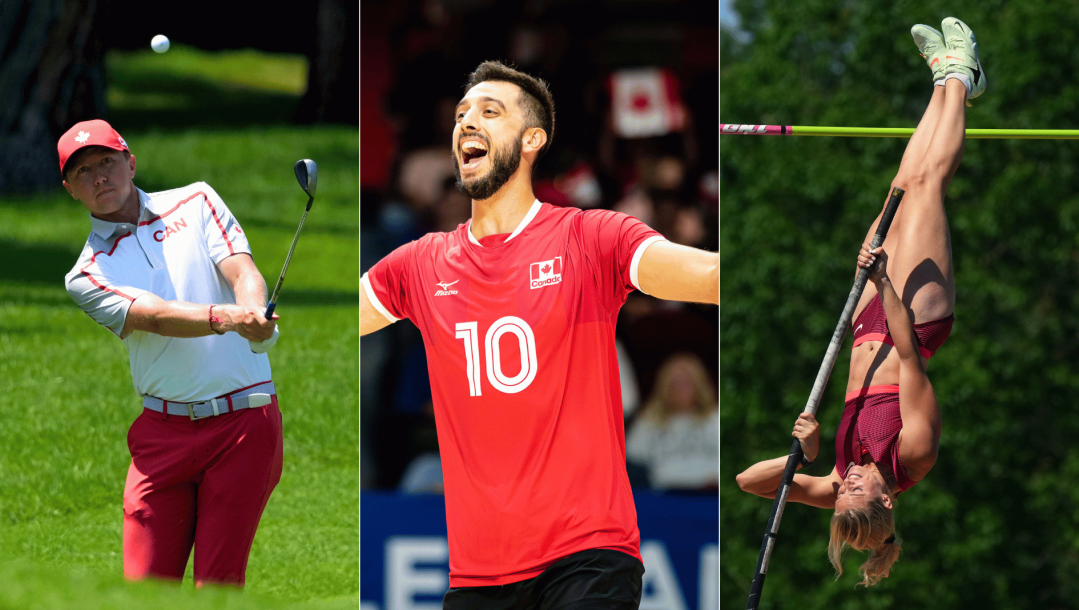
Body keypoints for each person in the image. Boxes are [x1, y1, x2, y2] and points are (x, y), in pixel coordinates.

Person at [360, 61, 718, 609]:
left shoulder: (592, 237)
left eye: (489, 111)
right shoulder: (418, 263)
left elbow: (712, 276)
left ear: (533, 139)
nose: (467, 123)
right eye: (461, 114)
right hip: (477, 576)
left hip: (587, 556)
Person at [735, 17, 986, 586]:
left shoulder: (840, 471)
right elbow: (910, 359)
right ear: (888, 501)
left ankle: (942, 76)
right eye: (856, 495)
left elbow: (750, 482)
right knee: (926, 189)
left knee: (901, 182)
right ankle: (964, 77)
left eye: (840, 499)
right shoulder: (911, 457)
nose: (845, 487)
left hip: (867, 314)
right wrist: (884, 284)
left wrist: (809, 449)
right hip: (912, 318)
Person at [61, 119, 283, 586]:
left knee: (216, 589)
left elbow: (243, 271)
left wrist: (254, 313)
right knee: (145, 590)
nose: (100, 176)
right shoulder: (85, 274)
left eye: (107, 162)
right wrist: (229, 318)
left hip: (244, 425)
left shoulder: (197, 199)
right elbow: (155, 316)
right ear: (70, 190)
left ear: (131, 162)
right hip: (162, 436)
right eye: (84, 172)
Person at [626, 353, 718, 490]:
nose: (679, 389)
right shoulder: (648, 422)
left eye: (685, 383)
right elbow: (632, 461)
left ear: (699, 385)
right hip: (664, 497)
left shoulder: (714, 420)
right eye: (673, 383)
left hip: (709, 496)